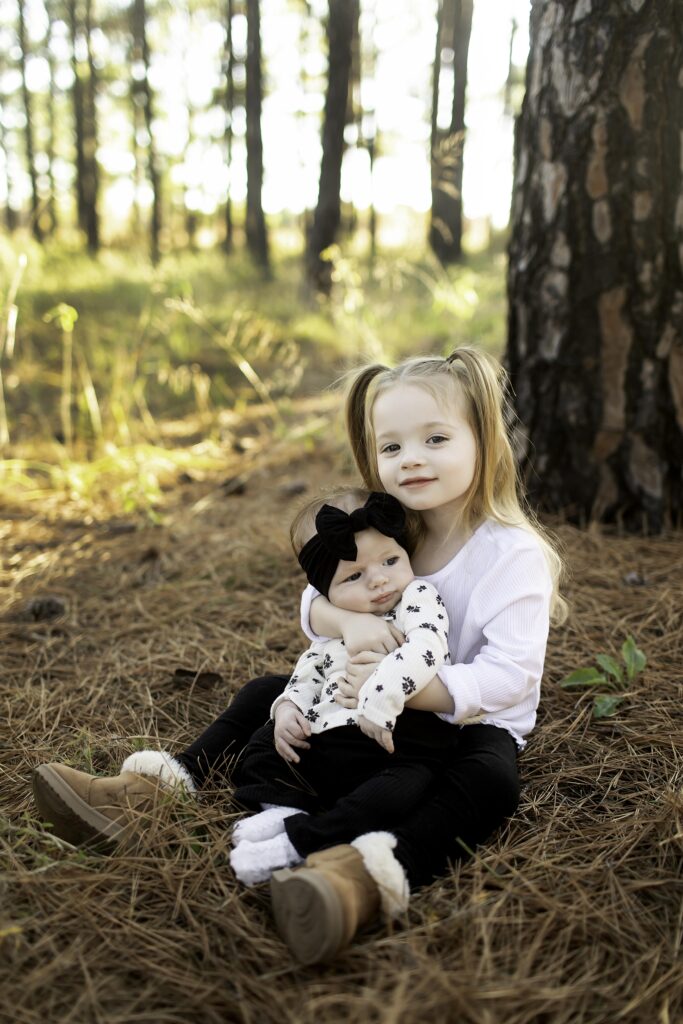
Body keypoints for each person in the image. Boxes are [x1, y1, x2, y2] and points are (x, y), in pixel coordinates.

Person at [32, 346, 565, 966]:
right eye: (391, 448)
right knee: (263, 692)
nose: (411, 459)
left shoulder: (510, 555)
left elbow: (510, 678)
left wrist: (408, 690)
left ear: (485, 442)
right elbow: (314, 601)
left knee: (489, 781)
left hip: (461, 721)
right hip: (356, 709)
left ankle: (361, 877)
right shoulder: (393, 525)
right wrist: (348, 623)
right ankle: (147, 793)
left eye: (436, 438)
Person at [228, 486, 454, 886]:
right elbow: (309, 669)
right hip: (330, 734)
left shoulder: (416, 598)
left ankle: (302, 842)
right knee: (264, 744)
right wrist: (288, 710)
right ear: (326, 594)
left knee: (405, 787)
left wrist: (379, 703)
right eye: (354, 575)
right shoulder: (339, 625)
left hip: (395, 735)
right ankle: (281, 810)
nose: (379, 580)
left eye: (391, 559)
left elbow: (426, 650)